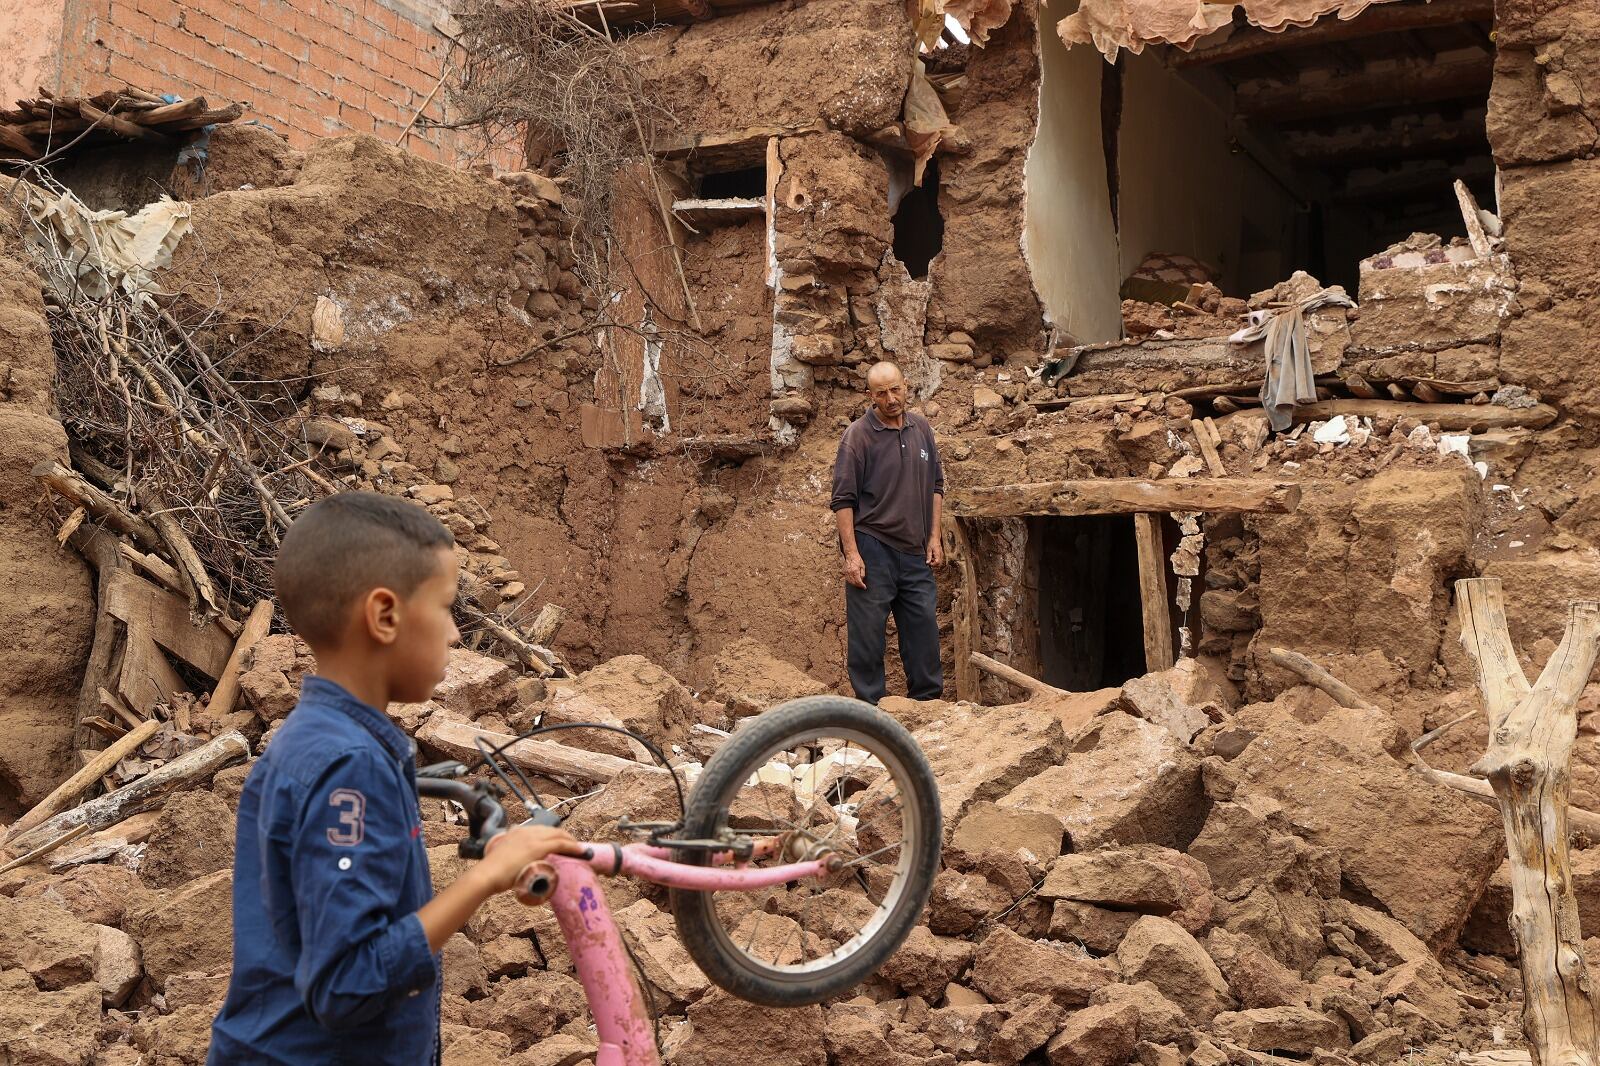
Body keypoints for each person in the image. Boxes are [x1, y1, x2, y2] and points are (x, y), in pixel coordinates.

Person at [209, 492, 581, 1065]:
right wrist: (486, 880)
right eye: (446, 608)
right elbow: (347, 982)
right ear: (385, 616)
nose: (456, 634)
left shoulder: (323, 740)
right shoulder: (346, 769)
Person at [830, 361, 946, 704]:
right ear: (871, 396)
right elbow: (842, 501)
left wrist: (934, 536)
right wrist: (852, 555)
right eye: (881, 393)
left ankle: (927, 708)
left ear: (906, 386)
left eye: (896, 389)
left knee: (924, 633)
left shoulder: (921, 428)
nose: (891, 398)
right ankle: (871, 715)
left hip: (916, 551)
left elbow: (936, 486)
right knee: (867, 639)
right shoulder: (857, 436)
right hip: (873, 548)